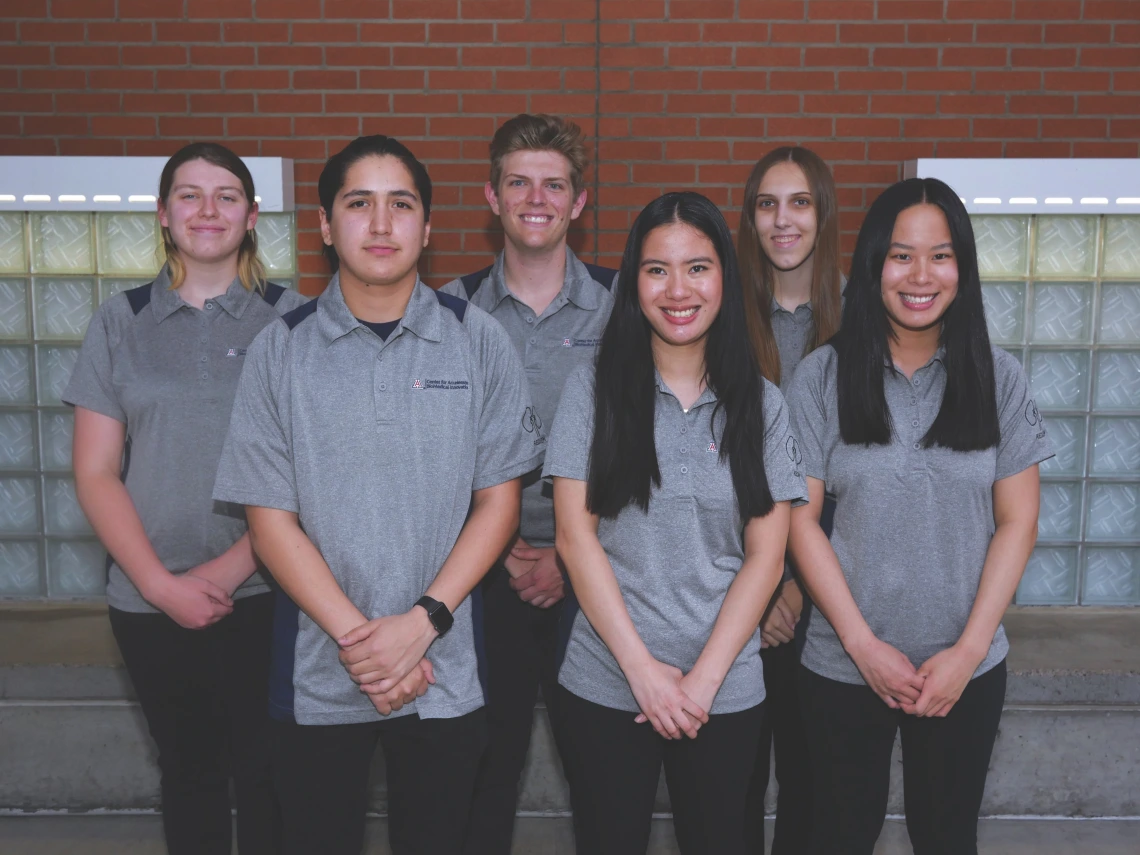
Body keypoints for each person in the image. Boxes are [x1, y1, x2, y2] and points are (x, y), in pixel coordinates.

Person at [211, 135, 542, 855]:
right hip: (321, 672)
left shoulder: (478, 341)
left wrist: (421, 623)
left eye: (402, 204)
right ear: (325, 225)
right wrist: (363, 645)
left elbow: (499, 504)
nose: (382, 223)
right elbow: (271, 521)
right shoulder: (281, 348)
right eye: (359, 203)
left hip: (444, 670)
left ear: (428, 227)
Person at [784, 177, 1051, 855]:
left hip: (964, 666)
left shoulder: (1000, 378)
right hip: (844, 664)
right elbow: (799, 520)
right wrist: (862, 644)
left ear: (962, 266)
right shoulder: (821, 376)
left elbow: (1018, 520)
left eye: (940, 255)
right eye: (901, 255)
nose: (920, 275)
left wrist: (966, 651)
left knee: (947, 836)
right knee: (835, 835)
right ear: (873, 264)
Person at [544, 191, 807, 855]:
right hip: (607, 679)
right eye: (657, 269)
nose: (678, 288)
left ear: (725, 277)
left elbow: (766, 557)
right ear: (633, 282)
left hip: (725, 687)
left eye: (698, 267)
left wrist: (702, 682)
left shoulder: (763, 405)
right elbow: (576, 540)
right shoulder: (592, 390)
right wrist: (644, 672)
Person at [66, 142, 309, 854]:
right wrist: (158, 584)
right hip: (149, 601)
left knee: (269, 774)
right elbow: (96, 470)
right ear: (164, 214)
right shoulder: (120, 322)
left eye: (227, 195)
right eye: (190, 195)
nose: (208, 210)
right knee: (189, 773)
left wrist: (232, 568)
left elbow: (311, 468)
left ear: (253, 215)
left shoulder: (295, 321)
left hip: (270, 589)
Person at [438, 113, 616, 855]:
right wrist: (506, 545)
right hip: (483, 576)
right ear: (492, 195)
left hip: (603, 572)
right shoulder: (449, 307)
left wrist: (572, 553)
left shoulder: (626, 303)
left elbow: (642, 442)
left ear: (578, 203)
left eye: (554, 184)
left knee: (604, 774)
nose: (535, 198)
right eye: (519, 182)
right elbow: (436, 450)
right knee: (485, 768)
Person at [736, 146, 843, 854]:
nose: (783, 220)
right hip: (737, 575)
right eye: (768, 204)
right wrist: (765, 582)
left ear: (823, 214)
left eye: (799, 202)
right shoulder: (717, 314)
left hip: (830, 586)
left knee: (815, 779)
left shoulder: (863, 316)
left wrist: (800, 586)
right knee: (734, 777)